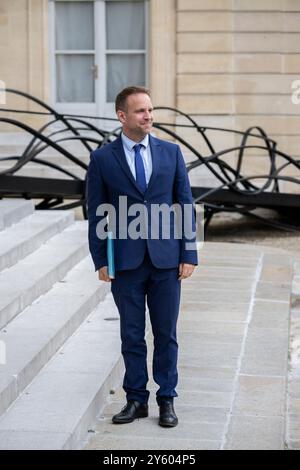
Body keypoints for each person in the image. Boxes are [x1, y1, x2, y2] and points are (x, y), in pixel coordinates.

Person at [86, 86, 198, 427]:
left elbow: (184, 203)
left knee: (166, 333)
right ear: (122, 116)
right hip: (127, 260)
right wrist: (101, 259)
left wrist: (188, 251)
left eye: (150, 110)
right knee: (131, 334)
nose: (148, 116)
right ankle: (136, 399)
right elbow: (97, 212)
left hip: (166, 259)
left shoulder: (171, 152)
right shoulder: (103, 158)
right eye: (140, 111)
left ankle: (167, 399)